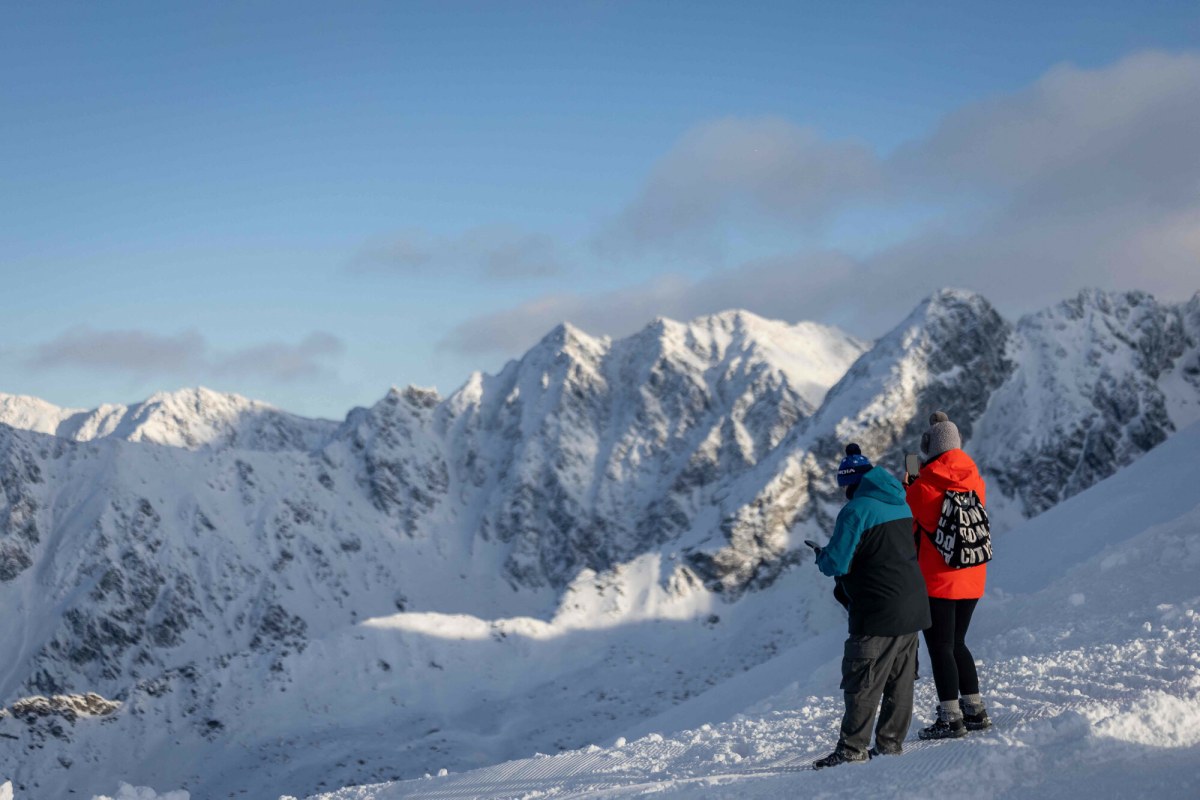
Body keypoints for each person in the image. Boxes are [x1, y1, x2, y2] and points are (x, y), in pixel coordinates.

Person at [810, 443, 932, 769]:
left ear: (850, 483)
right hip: (913, 606)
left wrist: (821, 554)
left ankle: (852, 749)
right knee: (900, 681)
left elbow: (836, 562)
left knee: (863, 678)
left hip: (877, 609)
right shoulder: (900, 503)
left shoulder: (855, 511)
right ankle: (890, 746)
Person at [905, 411, 992, 739]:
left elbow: (911, 527)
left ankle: (950, 717)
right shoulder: (975, 479)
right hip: (972, 575)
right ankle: (975, 710)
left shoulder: (924, 486)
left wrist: (911, 483)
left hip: (939, 579)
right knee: (957, 643)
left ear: (930, 447)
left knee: (940, 646)